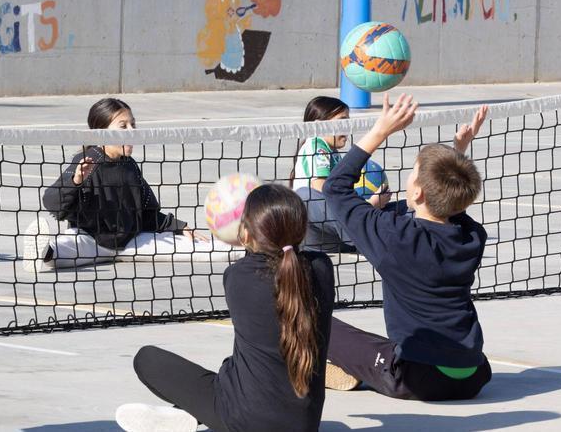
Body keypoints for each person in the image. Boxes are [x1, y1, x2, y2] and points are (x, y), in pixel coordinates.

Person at [116, 184, 335, 432]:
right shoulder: (322, 268)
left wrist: (240, 236)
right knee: (233, 365)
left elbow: (260, 267)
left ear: (247, 234)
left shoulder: (238, 276)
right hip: (305, 424)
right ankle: (189, 413)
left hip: (244, 420)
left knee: (147, 359)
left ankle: (192, 411)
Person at [323, 95, 493, 401]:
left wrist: (380, 130)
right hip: (473, 374)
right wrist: (458, 154)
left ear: (417, 192)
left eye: (413, 172)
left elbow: (335, 188)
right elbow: (452, 205)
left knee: (312, 320)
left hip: (417, 377)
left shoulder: (396, 237)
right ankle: (356, 366)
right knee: (380, 345)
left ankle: (326, 366)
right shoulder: (472, 237)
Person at [38, 98, 222, 270]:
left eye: (133, 124)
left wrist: (177, 226)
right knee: (61, 248)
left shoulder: (129, 165)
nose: (132, 131)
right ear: (100, 132)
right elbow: (52, 202)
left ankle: (234, 248)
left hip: (132, 241)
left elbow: (147, 214)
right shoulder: (86, 161)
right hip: (90, 241)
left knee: (192, 246)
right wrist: (75, 181)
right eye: (123, 126)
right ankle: (42, 251)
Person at [290, 96, 389, 253]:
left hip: (333, 232)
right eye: (342, 121)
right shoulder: (316, 146)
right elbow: (322, 188)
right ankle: (365, 224)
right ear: (319, 126)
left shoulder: (333, 152)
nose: (346, 127)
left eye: (347, 121)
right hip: (314, 229)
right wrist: (367, 206)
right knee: (305, 195)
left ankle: (374, 223)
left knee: (401, 209)